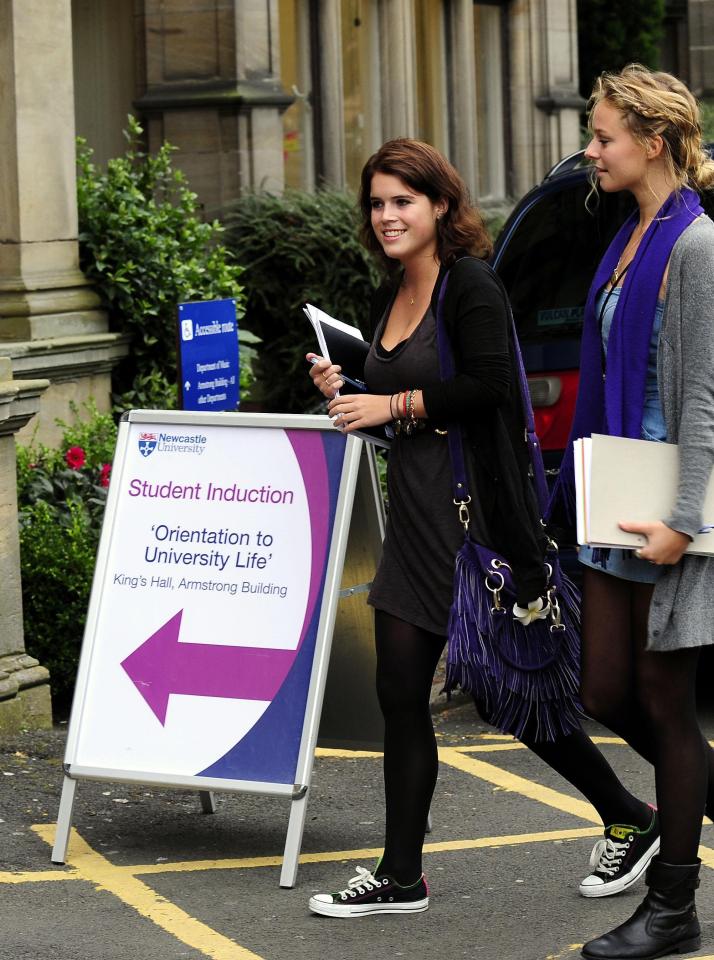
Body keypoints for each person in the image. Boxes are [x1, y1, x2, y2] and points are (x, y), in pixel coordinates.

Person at [305, 138, 658, 920]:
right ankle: (402, 876)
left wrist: (389, 404)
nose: (388, 216)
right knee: (400, 690)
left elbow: (490, 386)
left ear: (439, 205)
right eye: (377, 202)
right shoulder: (393, 290)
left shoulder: (470, 285)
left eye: (404, 200)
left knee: (514, 694)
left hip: (480, 528)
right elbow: (403, 389)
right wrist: (351, 380)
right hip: (418, 526)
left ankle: (632, 816)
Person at [549, 65, 714, 960]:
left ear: (653, 142)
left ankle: (673, 908)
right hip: (617, 504)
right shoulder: (626, 236)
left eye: (604, 136)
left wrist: (684, 524)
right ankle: (689, 806)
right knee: (603, 687)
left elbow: (702, 401)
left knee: (664, 698)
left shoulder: (695, 246)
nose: (590, 149)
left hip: (667, 516)